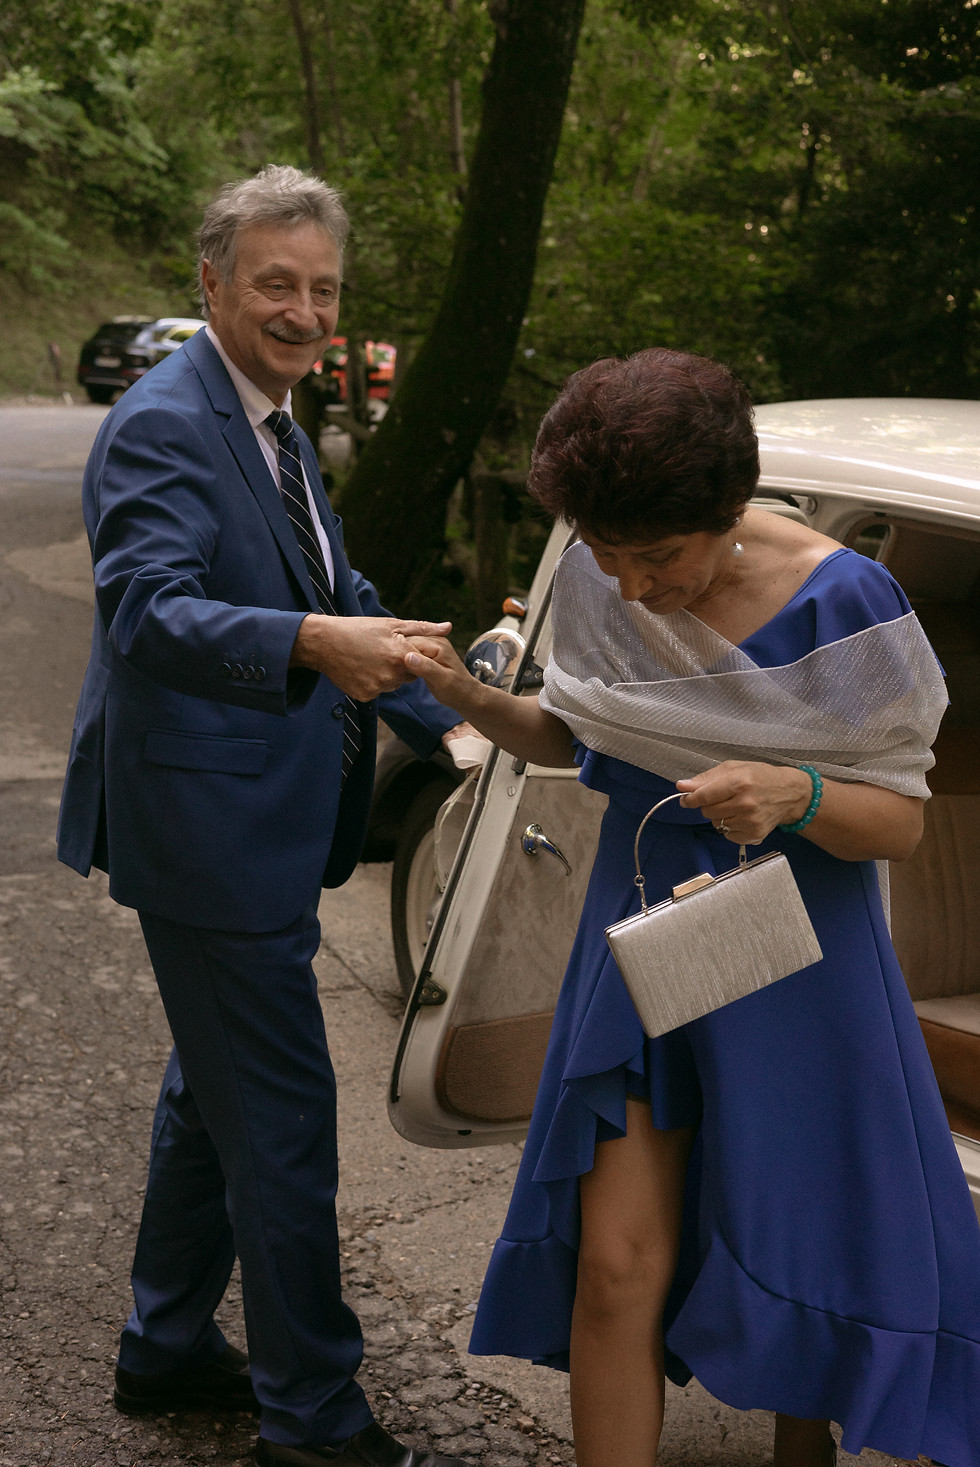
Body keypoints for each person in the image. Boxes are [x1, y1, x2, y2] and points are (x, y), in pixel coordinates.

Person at [402, 348, 980, 1467]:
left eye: (657, 558)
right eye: (607, 558)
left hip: (797, 962)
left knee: (800, 1245)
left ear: (728, 509)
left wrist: (793, 792)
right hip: (647, 952)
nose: (629, 587)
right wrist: (472, 699)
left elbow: (897, 824)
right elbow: (577, 739)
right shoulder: (596, 577)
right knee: (616, 1266)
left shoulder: (849, 604)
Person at [58, 164, 474, 1467]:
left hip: (275, 820)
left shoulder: (279, 422)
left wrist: (454, 715)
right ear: (215, 284)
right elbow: (150, 612)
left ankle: (166, 1342)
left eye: (324, 290)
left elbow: (337, 580)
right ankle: (315, 1415)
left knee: (212, 1091)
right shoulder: (164, 424)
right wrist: (308, 640)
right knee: (282, 1123)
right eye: (277, 284)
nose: (304, 311)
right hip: (210, 833)